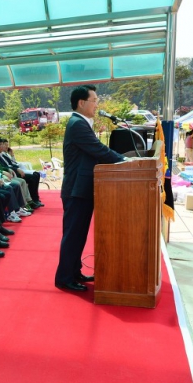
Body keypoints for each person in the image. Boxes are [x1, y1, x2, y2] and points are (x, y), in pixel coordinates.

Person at [56, 85, 126, 292]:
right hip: (76, 189)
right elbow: (97, 149)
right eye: (94, 100)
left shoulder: (82, 123)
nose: (97, 104)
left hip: (83, 188)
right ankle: (64, 278)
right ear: (81, 102)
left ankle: (73, 271)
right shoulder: (77, 124)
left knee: (79, 235)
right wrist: (124, 160)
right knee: (73, 235)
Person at [0, 138, 44, 209]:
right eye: (1, 144)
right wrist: (16, 169)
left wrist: (17, 166)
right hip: (11, 173)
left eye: (4, 144)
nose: (3, 146)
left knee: (36, 174)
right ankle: (30, 200)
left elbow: (12, 163)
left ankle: (35, 198)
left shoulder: (3, 155)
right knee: (31, 178)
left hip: (13, 171)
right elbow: (4, 167)